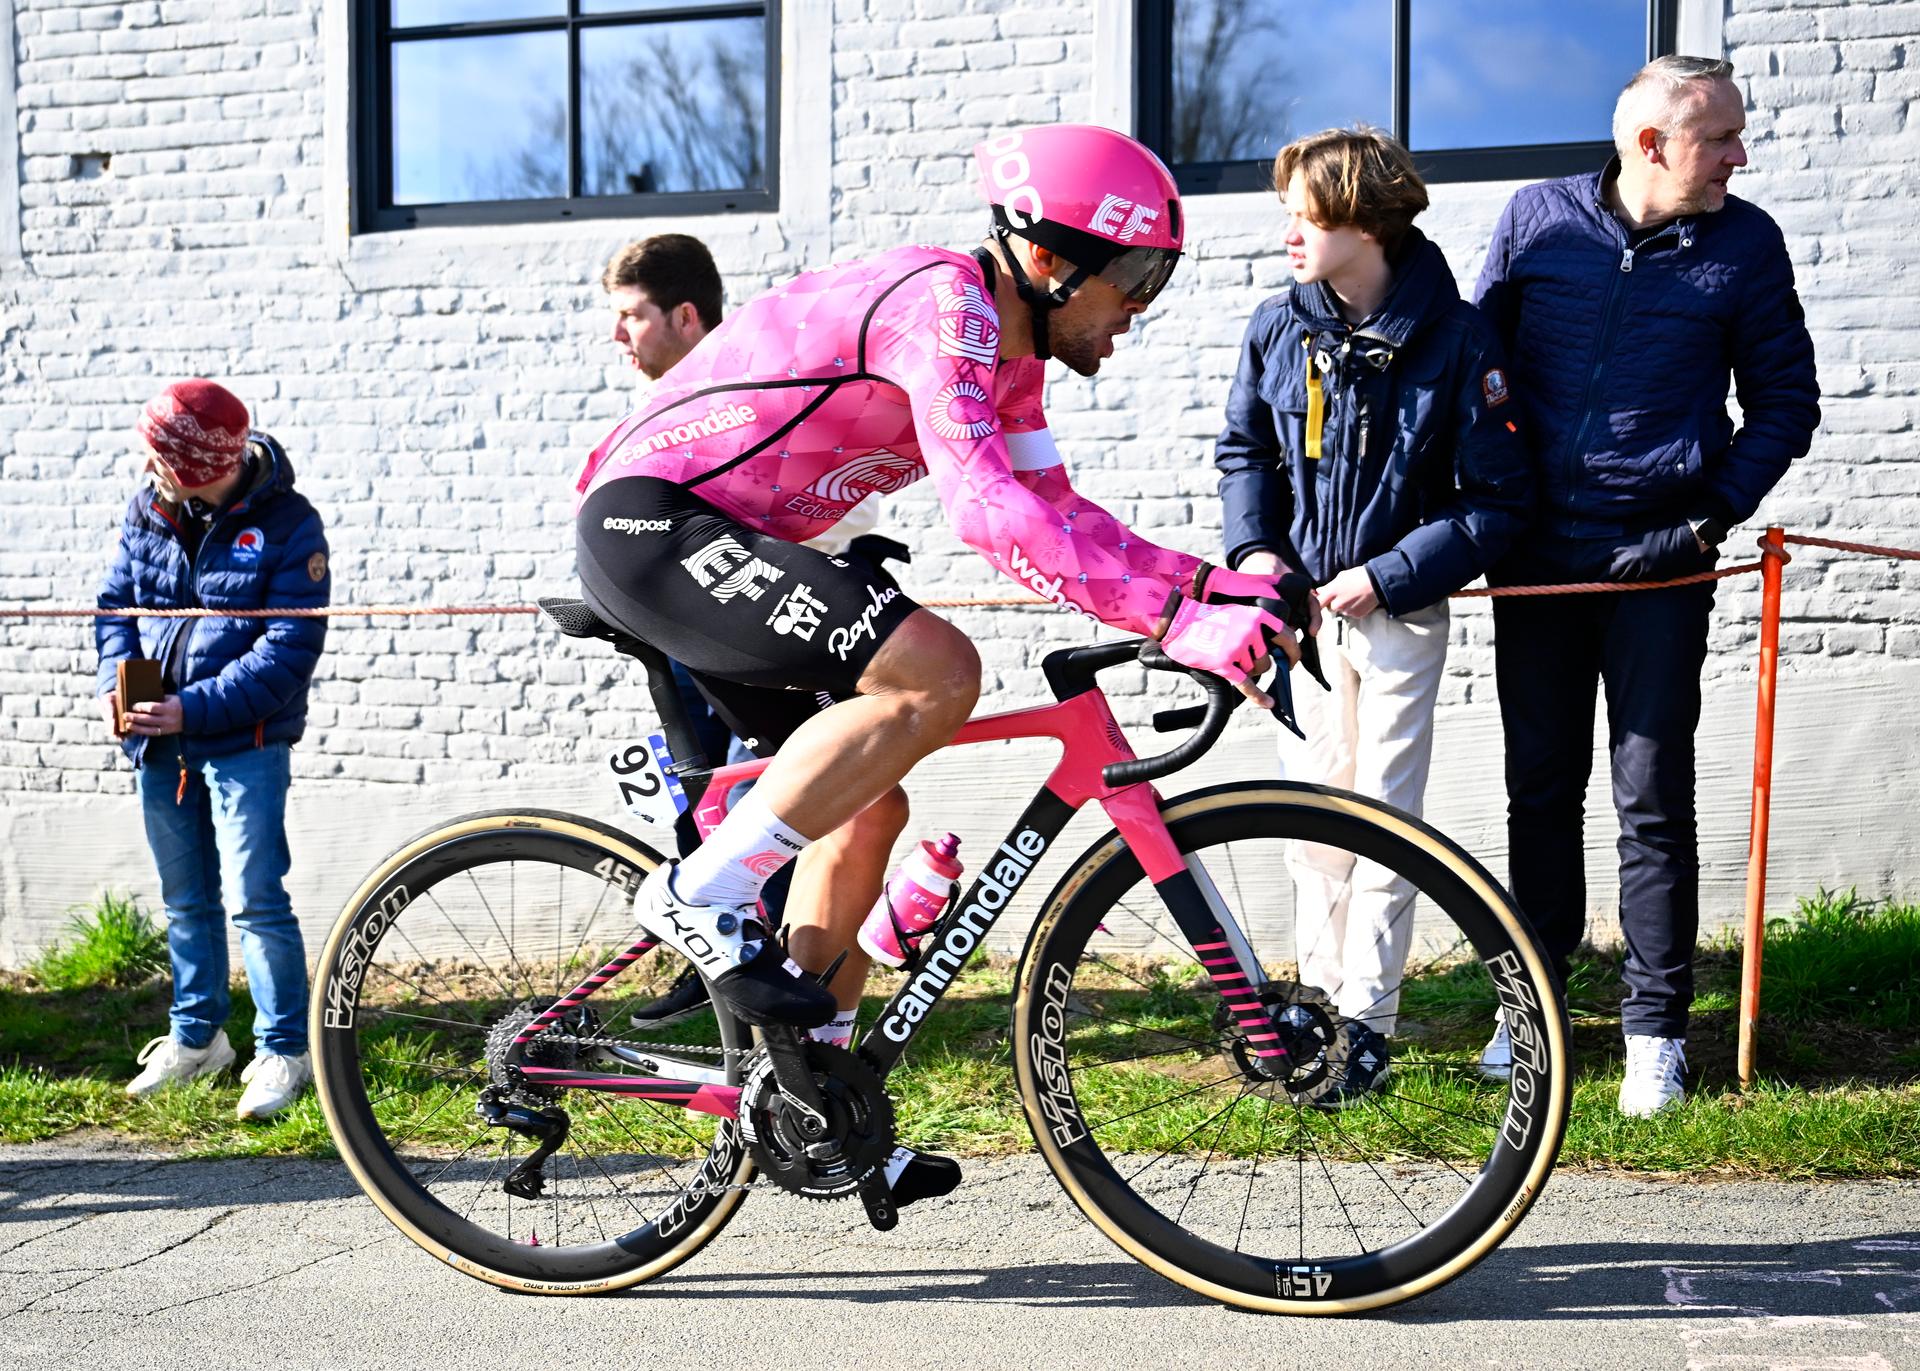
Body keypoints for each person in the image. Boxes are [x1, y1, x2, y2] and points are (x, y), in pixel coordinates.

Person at [573, 123, 1300, 1201]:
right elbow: (988, 509)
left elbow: (1056, 509)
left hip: (743, 540)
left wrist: (1202, 591)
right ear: (1050, 259)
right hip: (654, 525)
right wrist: (1173, 616)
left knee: (866, 808)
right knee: (937, 671)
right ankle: (701, 891)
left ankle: (813, 1099)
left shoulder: (1012, 365)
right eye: (1137, 276)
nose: (1139, 309)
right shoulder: (949, 308)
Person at [1473, 56, 1819, 1115]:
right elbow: (1477, 367)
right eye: (1721, 138)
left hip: (1662, 563)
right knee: (1539, 791)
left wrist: (1701, 518)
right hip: (1535, 560)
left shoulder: (1745, 243)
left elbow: (1785, 402)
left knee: (1652, 799)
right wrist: (1495, 497)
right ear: (1653, 144)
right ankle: (1530, 1008)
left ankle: (1656, 1031)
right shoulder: (1539, 218)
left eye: (1738, 138)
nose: (1739, 156)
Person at [1215, 128, 1532, 1107]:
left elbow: (1498, 501)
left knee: (1387, 823)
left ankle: (1367, 1032)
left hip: (1397, 619)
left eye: (1302, 216)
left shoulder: (1462, 338)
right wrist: (1258, 555)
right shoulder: (1278, 328)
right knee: (1312, 823)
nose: (1286, 236)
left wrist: (1389, 576)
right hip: (1296, 622)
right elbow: (1244, 454)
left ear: (1363, 221)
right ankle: (1313, 1026)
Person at [97, 379, 332, 1120]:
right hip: (158, 745)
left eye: (158, 452)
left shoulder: (292, 525)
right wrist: (118, 683)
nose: (146, 464)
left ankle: (283, 1050)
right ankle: (199, 1038)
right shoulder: (149, 506)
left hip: (244, 745)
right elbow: (115, 608)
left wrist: (189, 710)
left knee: (257, 900)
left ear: (195, 460)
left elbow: (289, 649)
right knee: (185, 899)